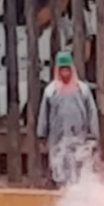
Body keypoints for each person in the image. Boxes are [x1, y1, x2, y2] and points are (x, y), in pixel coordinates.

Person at [37, 51, 99, 187]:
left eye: (67, 69)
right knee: (59, 169)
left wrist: (93, 135)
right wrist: (42, 135)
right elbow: (44, 115)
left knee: (79, 170)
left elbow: (91, 112)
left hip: (79, 139)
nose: (65, 73)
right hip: (57, 140)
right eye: (62, 69)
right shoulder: (50, 91)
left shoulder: (83, 90)